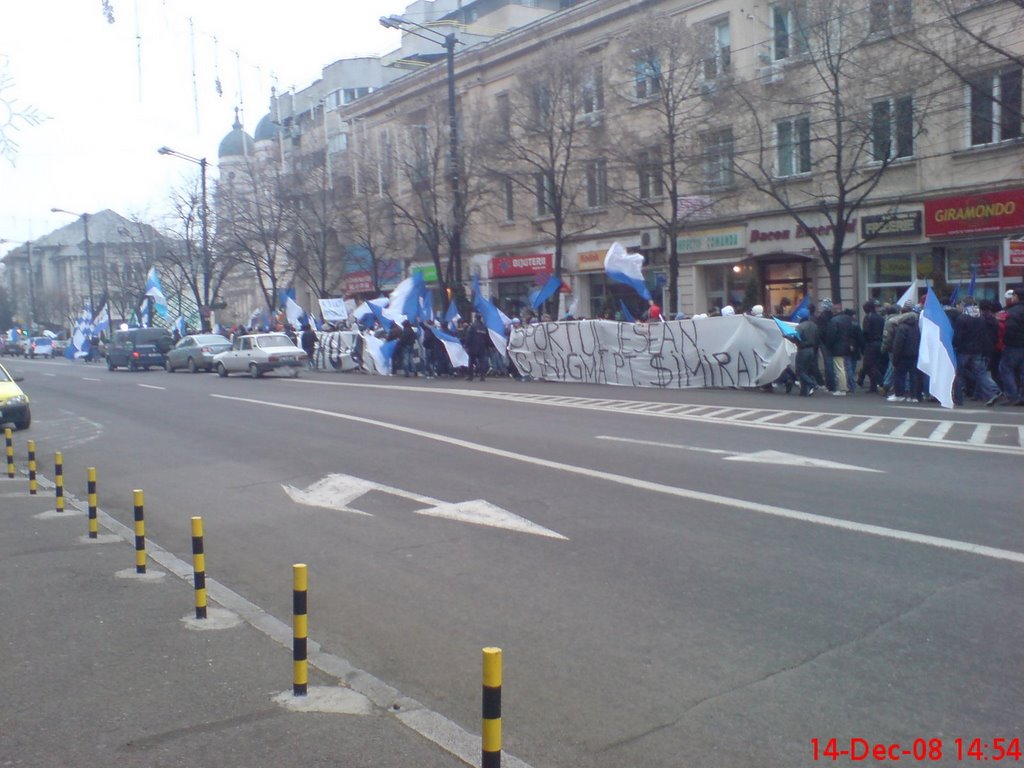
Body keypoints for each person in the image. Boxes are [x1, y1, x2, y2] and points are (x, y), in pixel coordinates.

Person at [953, 299, 1000, 407]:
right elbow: (984, 335)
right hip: (978, 350)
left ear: (964, 305)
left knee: (959, 374)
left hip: (963, 350)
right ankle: (991, 393)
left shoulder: (962, 318)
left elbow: (958, 336)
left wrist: (955, 345)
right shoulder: (981, 318)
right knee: (981, 373)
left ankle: (958, 399)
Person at [889, 302, 922, 403]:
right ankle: (914, 396)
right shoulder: (916, 325)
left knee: (899, 375)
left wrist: (895, 357)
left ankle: (899, 394)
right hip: (915, 354)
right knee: (914, 376)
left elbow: (898, 344)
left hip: (903, 355)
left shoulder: (902, 327)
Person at [997, 287, 1024, 406]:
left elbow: (1010, 329)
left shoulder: (1013, 312)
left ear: (1016, 297)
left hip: (1014, 345)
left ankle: (1012, 395)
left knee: (1006, 369)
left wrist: (1005, 342)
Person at [858, 301, 884, 393]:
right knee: (874, 364)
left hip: (870, 344)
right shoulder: (880, 318)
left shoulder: (868, 317)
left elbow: (866, 332)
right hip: (879, 343)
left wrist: (864, 343)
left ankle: (881, 383)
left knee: (869, 365)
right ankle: (873, 386)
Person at [464, 314, 491, 382]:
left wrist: (466, 345)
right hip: (482, 347)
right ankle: (482, 376)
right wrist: (488, 346)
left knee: (471, 362)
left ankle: (470, 376)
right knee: (482, 362)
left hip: (473, 347)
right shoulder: (484, 327)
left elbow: (468, 336)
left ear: (475, 318)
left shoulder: (472, 326)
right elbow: (487, 338)